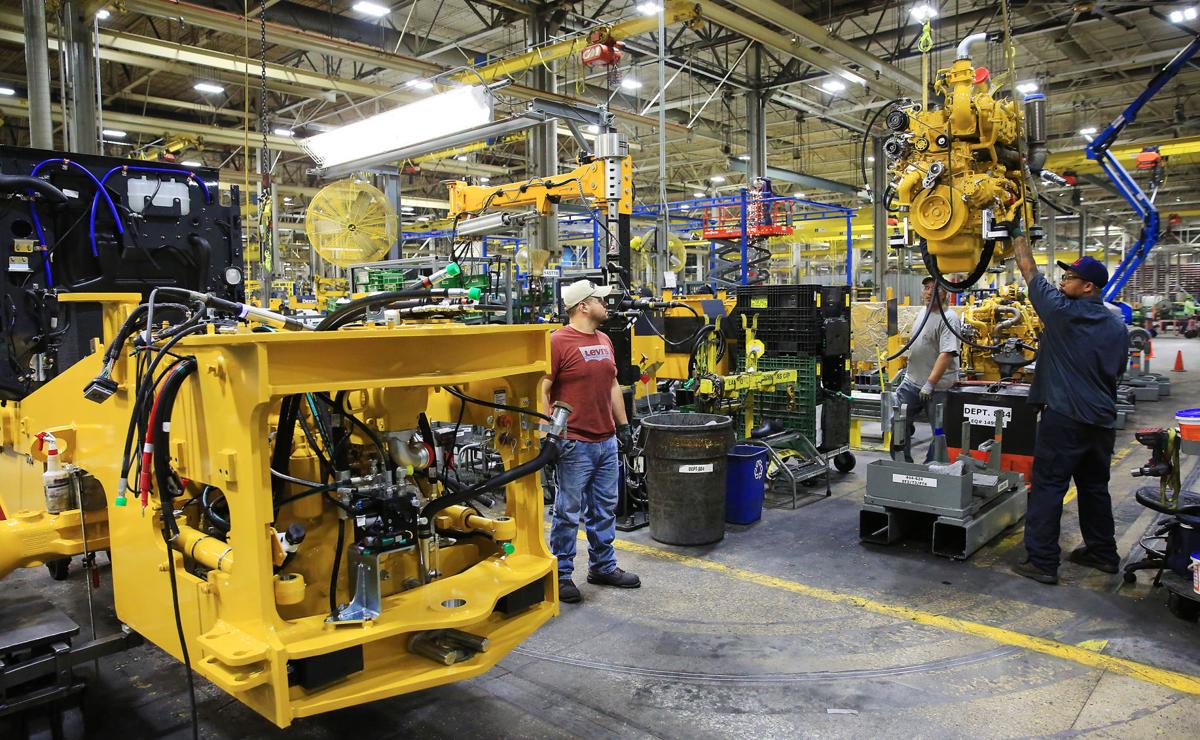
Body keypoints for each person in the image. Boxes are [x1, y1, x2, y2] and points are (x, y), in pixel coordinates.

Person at [1010, 237, 1129, 585]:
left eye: (1069, 278)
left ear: (1087, 286)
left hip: (1064, 418)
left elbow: (1029, 270)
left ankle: (1043, 561)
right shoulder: (1117, 326)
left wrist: (1017, 234)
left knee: (1048, 487)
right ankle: (1102, 553)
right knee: (1094, 487)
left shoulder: (1061, 313)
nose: (1063, 282)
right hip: (1102, 420)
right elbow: (1116, 371)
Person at [539, 279, 640, 604]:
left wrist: (623, 426)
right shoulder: (557, 342)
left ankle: (602, 566)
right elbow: (542, 389)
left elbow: (612, 385)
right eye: (600, 299)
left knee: (604, 509)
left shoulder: (604, 339)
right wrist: (546, 435)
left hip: (606, 440)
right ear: (583, 305)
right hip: (574, 442)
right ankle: (562, 574)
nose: (605, 304)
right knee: (568, 512)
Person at [893, 276, 961, 464]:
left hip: (937, 388)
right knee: (898, 421)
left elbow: (947, 354)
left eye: (935, 288)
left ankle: (932, 468)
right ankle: (902, 464)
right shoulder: (923, 312)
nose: (929, 292)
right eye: (926, 288)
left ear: (946, 293)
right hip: (912, 382)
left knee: (939, 431)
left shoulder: (949, 319)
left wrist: (930, 383)